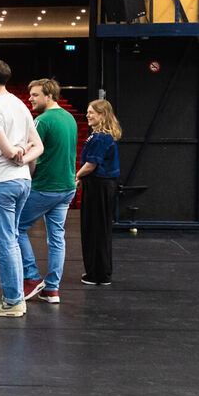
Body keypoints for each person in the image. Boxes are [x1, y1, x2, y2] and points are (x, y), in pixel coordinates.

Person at [0, 57, 44, 318]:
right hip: (22, 180)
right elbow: (37, 147)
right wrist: (23, 156)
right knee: (12, 240)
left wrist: (18, 153)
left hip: (1, 182)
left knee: (5, 243)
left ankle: (13, 301)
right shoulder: (20, 105)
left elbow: (8, 151)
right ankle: (15, 298)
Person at [17, 79, 78, 304]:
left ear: (49, 96)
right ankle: (52, 289)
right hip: (67, 188)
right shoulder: (70, 118)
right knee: (56, 238)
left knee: (15, 228)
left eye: (35, 95)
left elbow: (32, 155)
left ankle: (32, 277)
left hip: (45, 187)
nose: (30, 98)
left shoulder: (42, 121)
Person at [78, 99, 122, 286]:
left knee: (96, 229)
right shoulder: (99, 136)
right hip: (99, 185)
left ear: (102, 115)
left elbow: (91, 164)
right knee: (98, 229)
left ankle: (98, 274)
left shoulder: (100, 138)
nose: (87, 115)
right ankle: (99, 271)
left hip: (99, 187)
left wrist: (76, 176)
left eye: (91, 112)